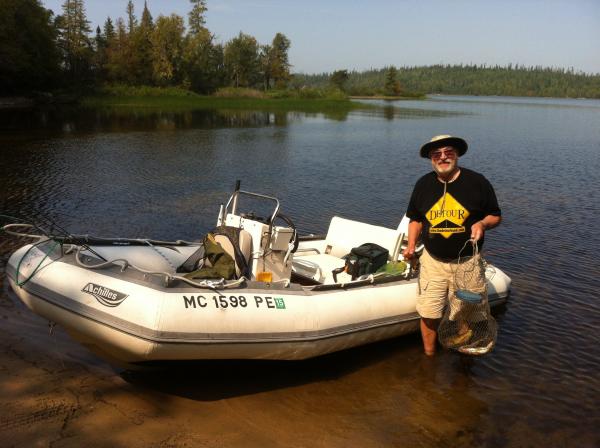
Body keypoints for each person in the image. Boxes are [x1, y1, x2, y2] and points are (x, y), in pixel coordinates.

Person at [402, 135, 501, 355]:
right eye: (437, 154)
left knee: (466, 314)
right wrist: (411, 246)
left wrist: (482, 223)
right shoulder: (423, 184)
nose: (443, 157)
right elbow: (416, 219)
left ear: (457, 155)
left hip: (467, 264)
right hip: (432, 262)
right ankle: (429, 358)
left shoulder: (477, 182)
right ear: (430, 158)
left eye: (449, 152)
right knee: (428, 314)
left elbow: (495, 216)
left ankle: (464, 359)